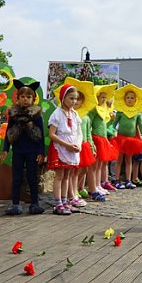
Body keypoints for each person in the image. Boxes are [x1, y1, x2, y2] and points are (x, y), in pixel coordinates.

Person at [0, 81, 45, 216]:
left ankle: (35, 203)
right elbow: (8, 133)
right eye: (23, 97)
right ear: (18, 98)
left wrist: (41, 152)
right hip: (18, 151)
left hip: (32, 151)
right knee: (17, 178)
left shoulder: (36, 115)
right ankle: (15, 204)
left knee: (32, 178)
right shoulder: (14, 114)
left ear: (33, 99)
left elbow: (41, 135)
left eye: (28, 97)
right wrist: (5, 149)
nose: (26, 99)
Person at [47, 84, 82, 215]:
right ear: (63, 98)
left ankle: (65, 200)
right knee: (60, 175)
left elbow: (78, 132)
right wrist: (67, 145)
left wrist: (78, 144)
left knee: (67, 175)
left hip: (71, 148)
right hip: (61, 147)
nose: (73, 101)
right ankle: (58, 203)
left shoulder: (74, 114)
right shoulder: (57, 114)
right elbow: (52, 134)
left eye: (75, 99)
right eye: (71, 98)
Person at [112, 85, 142, 188]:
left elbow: (141, 125)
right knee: (119, 160)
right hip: (120, 138)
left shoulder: (137, 112)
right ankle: (117, 180)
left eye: (132, 98)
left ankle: (128, 180)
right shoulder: (120, 112)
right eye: (128, 97)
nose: (130, 99)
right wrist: (113, 131)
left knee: (129, 160)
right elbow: (114, 124)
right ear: (124, 99)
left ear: (135, 99)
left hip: (131, 140)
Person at [89, 84, 118, 192]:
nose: (104, 100)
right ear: (96, 96)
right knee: (95, 165)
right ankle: (95, 186)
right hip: (96, 138)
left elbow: (105, 123)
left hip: (102, 138)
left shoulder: (102, 109)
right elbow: (90, 124)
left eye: (105, 98)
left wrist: (112, 120)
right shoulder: (93, 110)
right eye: (102, 97)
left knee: (100, 164)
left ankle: (98, 184)